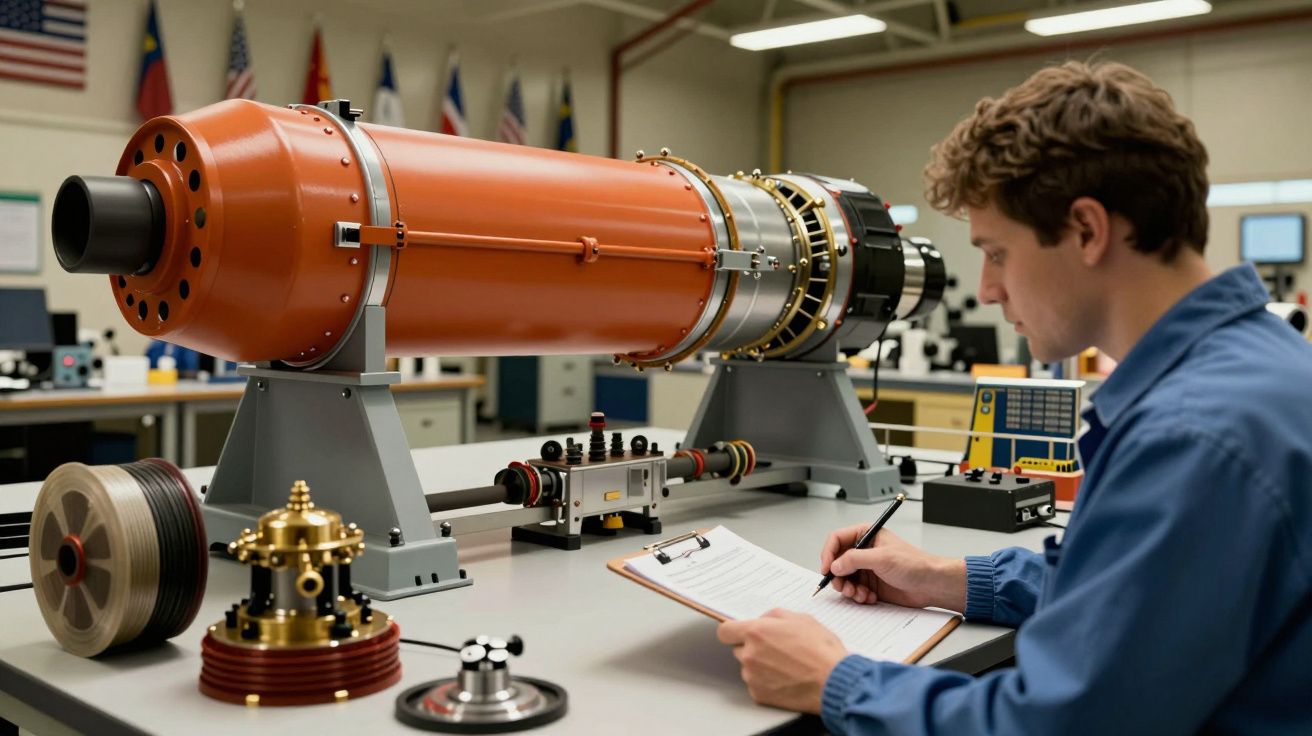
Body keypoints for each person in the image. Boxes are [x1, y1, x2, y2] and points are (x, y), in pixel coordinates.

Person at [717, 60, 1312, 734]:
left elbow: (1062, 725)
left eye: (996, 252)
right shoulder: (1252, 371)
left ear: (1087, 231)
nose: (990, 288)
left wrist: (835, 681)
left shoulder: (1196, 434)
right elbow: (1133, 597)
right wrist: (948, 579)